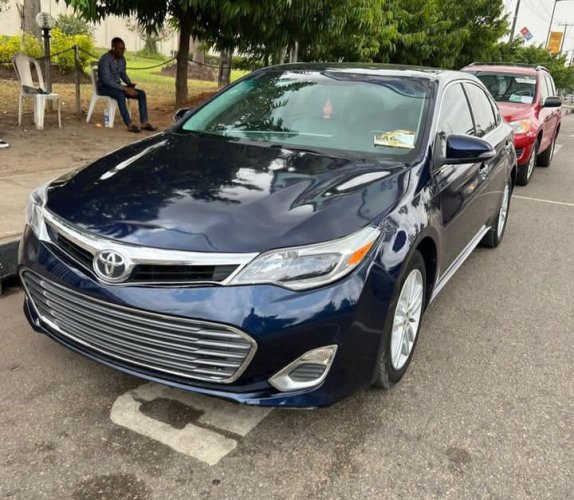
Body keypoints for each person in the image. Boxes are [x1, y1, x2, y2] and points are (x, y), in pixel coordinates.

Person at [97, 38, 157, 133]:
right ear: (113, 48)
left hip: (117, 87)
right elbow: (107, 80)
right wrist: (124, 88)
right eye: (120, 49)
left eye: (124, 49)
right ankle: (129, 124)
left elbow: (123, 74)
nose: (122, 51)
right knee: (120, 95)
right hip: (104, 87)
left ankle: (144, 122)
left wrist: (129, 84)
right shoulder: (105, 59)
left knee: (141, 94)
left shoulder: (122, 59)